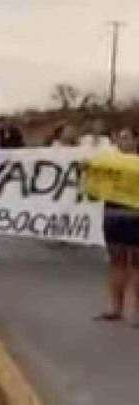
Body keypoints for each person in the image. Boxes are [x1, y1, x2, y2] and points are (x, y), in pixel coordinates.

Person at [94, 127, 139, 326]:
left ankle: (136, 312)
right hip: (113, 217)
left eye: (126, 138)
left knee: (136, 265)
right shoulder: (107, 163)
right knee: (117, 263)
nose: (122, 142)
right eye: (119, 138)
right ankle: (116, 308)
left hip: (135, 218)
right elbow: (94, 190)